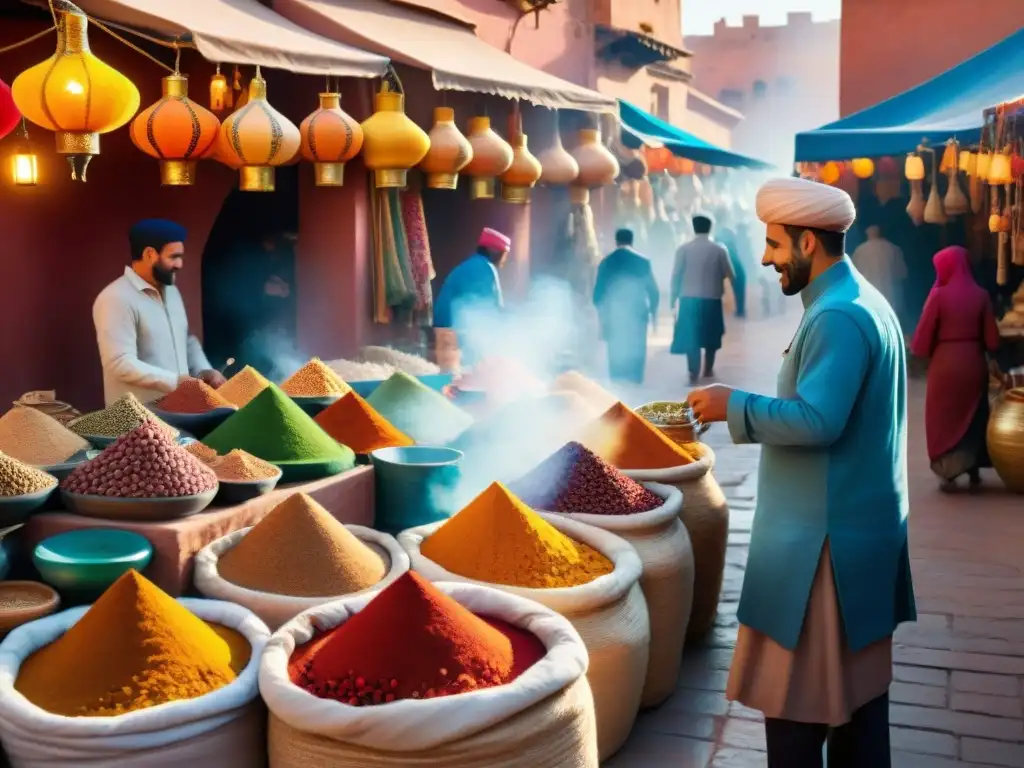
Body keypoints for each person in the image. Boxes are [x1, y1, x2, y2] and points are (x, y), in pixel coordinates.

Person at [688, 177, 915, 768]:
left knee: (794, 715)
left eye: (774, 243)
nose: (765, 257)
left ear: (809, 243)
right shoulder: (858, 301)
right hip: (856, 534)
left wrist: (730, 404)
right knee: (860, 719)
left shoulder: (838, 315)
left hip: (821, 551)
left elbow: (819, 420)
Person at [93, 219, 226, 405]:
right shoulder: (115, 298)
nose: (180, 264)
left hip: (177, 408)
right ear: (149, 254)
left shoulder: (171, 292)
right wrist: (176, 382)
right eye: (173, 257)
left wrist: (204, 370)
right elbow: (119, 363)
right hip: (136, 419)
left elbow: (186, 339)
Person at [910, 245, 1001, 492]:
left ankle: (948, 472)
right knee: (974, 415)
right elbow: (993, 340)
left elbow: (921, 340)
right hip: (973, 362)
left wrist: (922, 351)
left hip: (945, 364)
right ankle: (972, 469)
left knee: (944, 417)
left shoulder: (938, 295)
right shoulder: (981, 295)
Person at [670, 213, 735, 384]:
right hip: (712, 299)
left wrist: (672, 298)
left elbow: (676, 275)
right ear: (710, 227)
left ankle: (693, 372)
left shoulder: (683, 249)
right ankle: (708, 369)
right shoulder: (719, 249)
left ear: (694, 227)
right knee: (711, 336)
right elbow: (730, 274)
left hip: (688, 299)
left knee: (692, 336)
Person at [433, 227, 510, 366]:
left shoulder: (468, 264)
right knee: (467, 375)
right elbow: (494, 308)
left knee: (448, 377)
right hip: (456, 328)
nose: (505, 261)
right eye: (504, 255)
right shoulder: (487, 268)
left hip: (442, 324)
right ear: (495, 251)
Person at [592, 228, 660, 384]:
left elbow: (598, 294)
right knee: (637, 345)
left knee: (615, 346)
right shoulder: (643, 262)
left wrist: (603, 314)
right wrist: (653, 313)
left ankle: (617, 378)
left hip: (614, 313)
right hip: (638, 312)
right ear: (632, 241)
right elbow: (653, 291)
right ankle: (635, 378)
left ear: (616, 241)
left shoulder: (606, 262)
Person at [851, 224, 907, 318]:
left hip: (868, 297)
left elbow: (854, 276)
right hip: (890, 296)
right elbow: (902, 273)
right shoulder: (893, 248)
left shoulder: (859, 251)